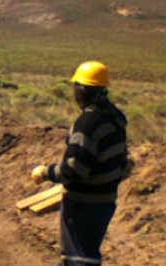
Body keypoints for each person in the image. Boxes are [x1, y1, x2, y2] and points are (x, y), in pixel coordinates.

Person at [31, 61, 128, 266]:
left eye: (77, 88)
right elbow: (122, 161)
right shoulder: (115, 117)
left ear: (83, 91)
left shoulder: (88, 124)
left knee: (78, 258)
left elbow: (74, 170)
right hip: (105, 200)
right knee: (87, 252)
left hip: (84, 203)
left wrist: (46, 173)